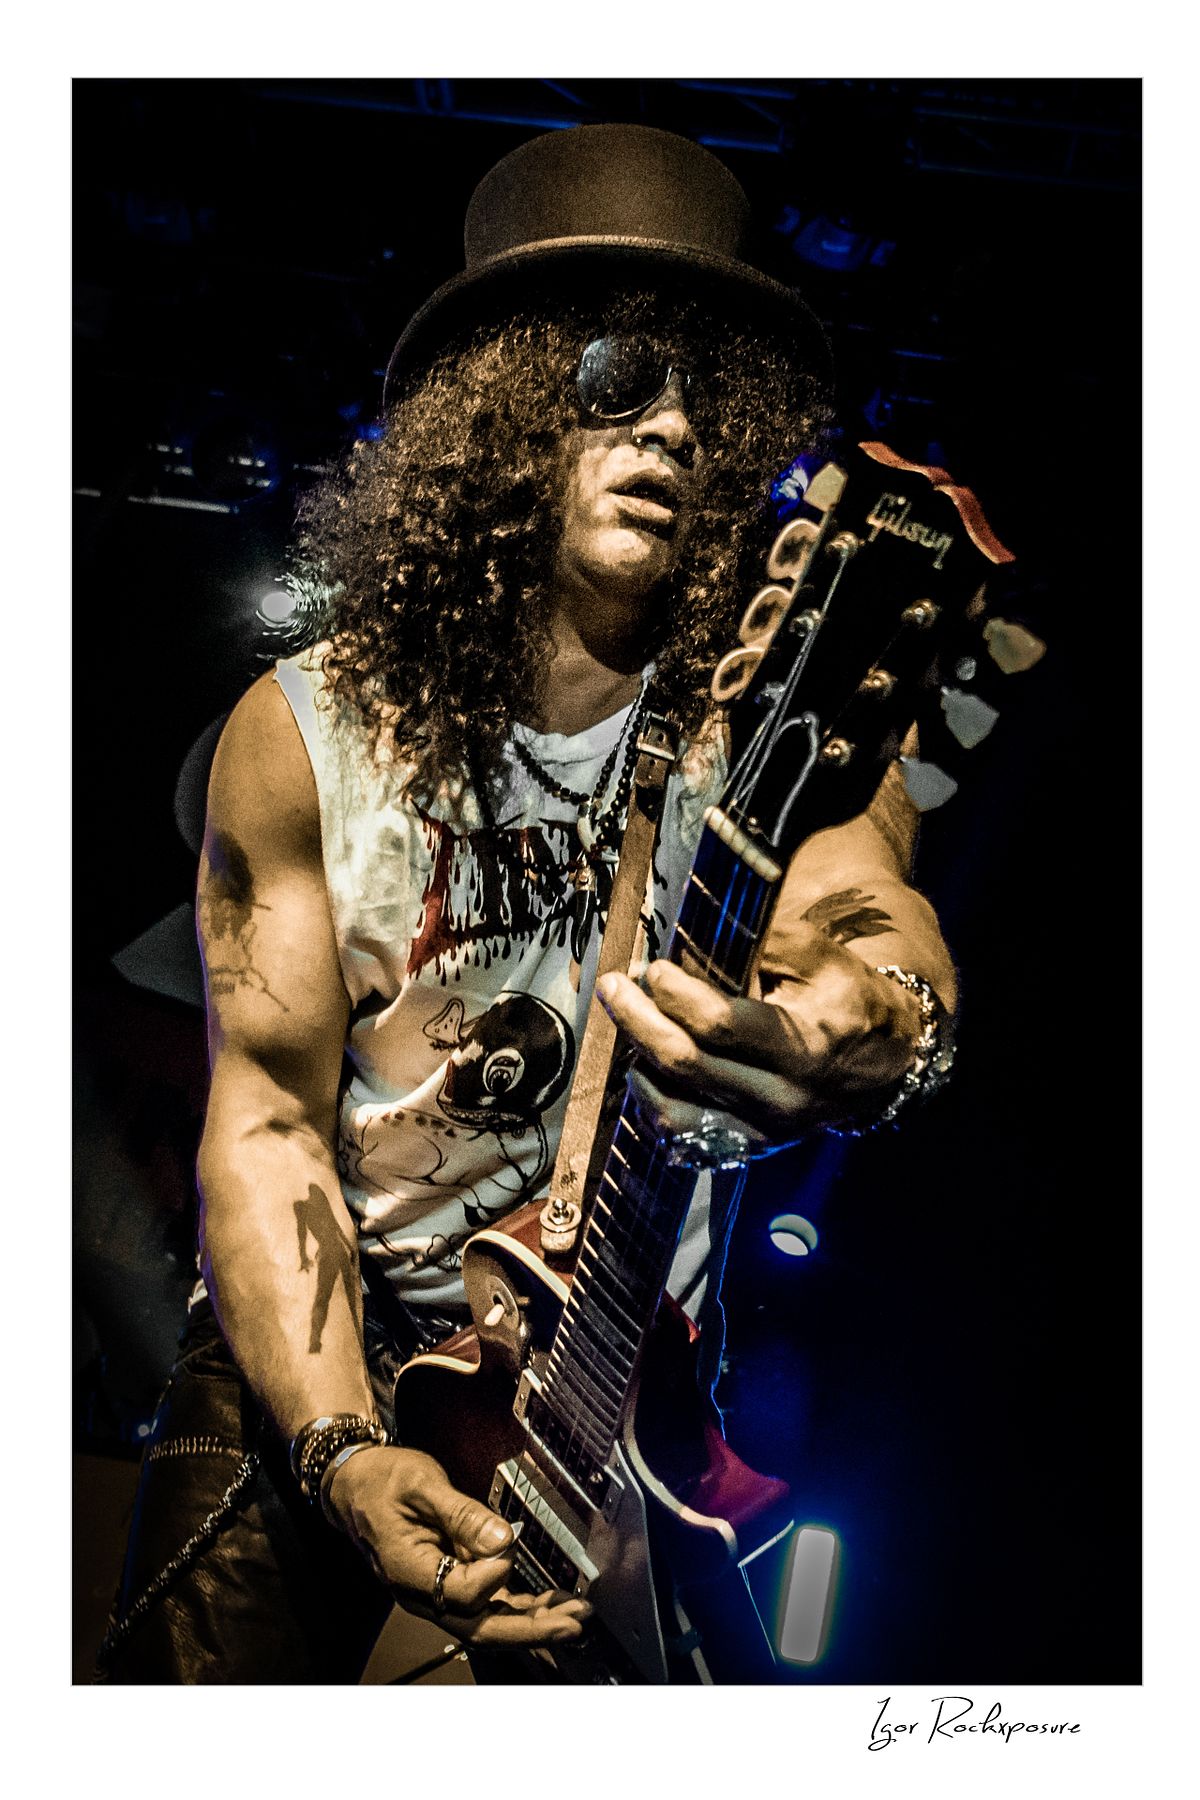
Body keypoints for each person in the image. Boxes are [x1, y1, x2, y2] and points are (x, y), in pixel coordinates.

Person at [101, 123, 957, 1685]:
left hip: (611, 1372)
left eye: (715, 396)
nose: (681, 429)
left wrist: (852, 1036)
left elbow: (867, 927)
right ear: (502, 411)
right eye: (623, 377)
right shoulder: (302, 734)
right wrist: (345, 1449)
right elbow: (270, 1116)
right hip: (338, 1319)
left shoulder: (769, 722)